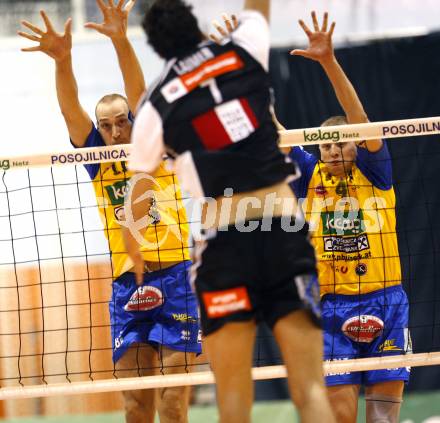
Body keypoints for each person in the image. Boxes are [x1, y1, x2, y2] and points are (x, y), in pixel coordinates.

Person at [125, 1, 336, 422]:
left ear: (157, 48)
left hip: (223, 247)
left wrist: (135, 248)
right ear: (197, 25)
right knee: (310, 390)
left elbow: (139, 187)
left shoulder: (155, 104)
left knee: (234, 401)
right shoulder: (243, 47)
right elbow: (257, 6)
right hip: (281, 229)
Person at [18, 2, 201, 422]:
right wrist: (63, 62)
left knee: (173, 407)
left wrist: (120, 39)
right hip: (127, 284)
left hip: (175, 277)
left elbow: (136, 90)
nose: (116, 130)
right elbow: (70, 111)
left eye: (123, 121)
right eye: (107, 125)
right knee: (136, 407)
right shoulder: (99, 163)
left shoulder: (152, 143)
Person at [283, 12, 410, 423]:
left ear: (356, 144)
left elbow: (359, 119)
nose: (334, 152)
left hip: (386, 302)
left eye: (341, 144)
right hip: (332, 309)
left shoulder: (376, 170)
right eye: (326, 147)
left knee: (382, 420)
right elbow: (273, 130)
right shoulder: (308, 174)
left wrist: (328, 63)